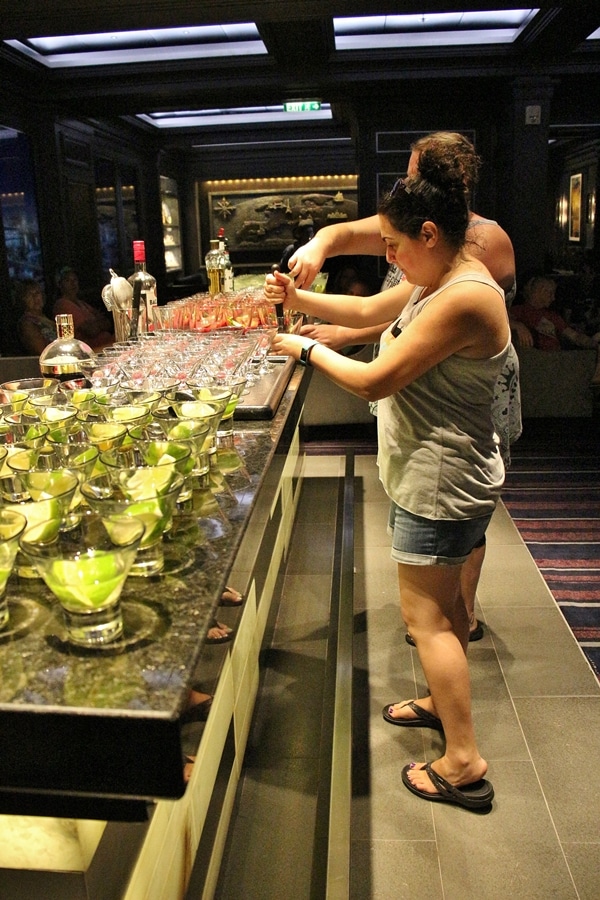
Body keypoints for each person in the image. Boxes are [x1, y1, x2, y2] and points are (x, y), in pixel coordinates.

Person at [265, 141, 508, 809]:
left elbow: (375, 381)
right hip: (445, 473)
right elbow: (373, 313)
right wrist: (301, 296)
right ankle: (441, 701)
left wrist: (306, 347)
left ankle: (463, 761)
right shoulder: (442, 276)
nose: (391, 258)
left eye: (397, 246)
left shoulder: (464, 296)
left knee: (425, 617)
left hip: (440, 479)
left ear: (430, 233)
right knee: (449, 610)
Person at [294, 131, 522, 643]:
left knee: (460, 526)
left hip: (458, 389)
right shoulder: (428, 240)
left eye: (414, 173)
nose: (405, 181)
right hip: (423, 378)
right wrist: (316, 250)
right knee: (433, 520)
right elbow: (356, 256)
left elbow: (433, 326)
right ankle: (447, 615)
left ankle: (455, 614)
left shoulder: (473, 254)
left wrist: (320, 343)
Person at [510, 274, 600, 350]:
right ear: (542, 291)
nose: (553, 298)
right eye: (550, 293)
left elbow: (574, 336)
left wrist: (592, 343)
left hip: (554, 359)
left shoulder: (552, 317)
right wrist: (518, 326)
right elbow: (501, 323)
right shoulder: (518, 311)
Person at [53, 266, 114, 351]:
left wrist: (96, 324)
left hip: (106, 343)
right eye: (68, 281)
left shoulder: (82, 304)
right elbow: (91, 330)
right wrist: (97, 323)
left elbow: (107, 323)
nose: (73, 284)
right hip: (89, 350)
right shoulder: (63, 304)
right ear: (60, 284)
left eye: (75, 280)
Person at [15, 279, 57, 354]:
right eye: (29, 295)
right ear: (23, 299)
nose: (35, 297)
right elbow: (41, 351)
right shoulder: (27, 323)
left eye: (37, 293)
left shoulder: (47, 319)